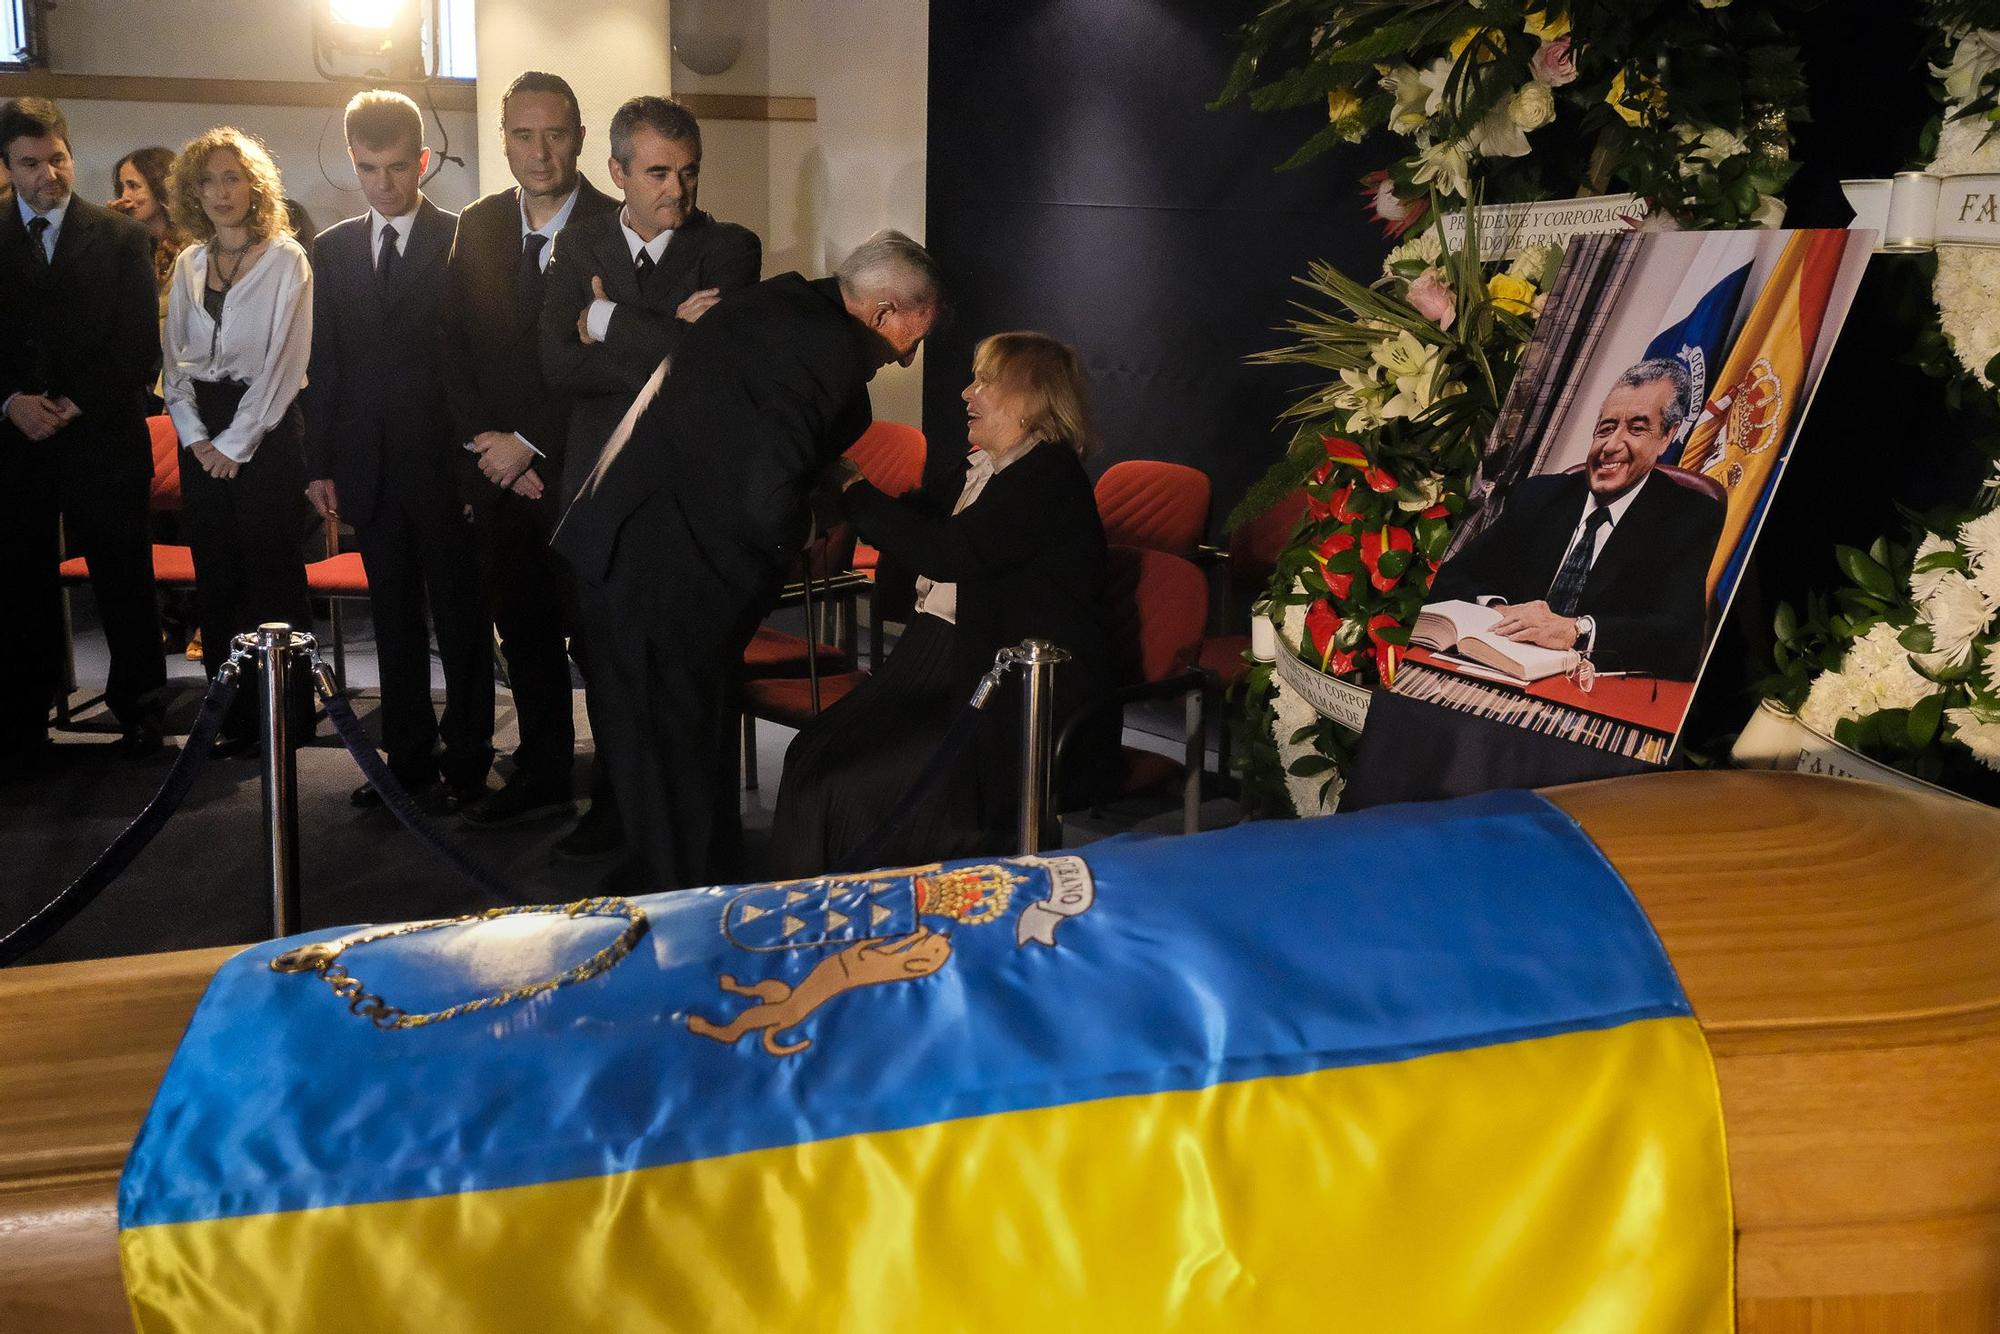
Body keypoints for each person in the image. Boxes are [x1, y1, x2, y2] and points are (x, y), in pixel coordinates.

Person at [553, 230, 943, 892]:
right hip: (672, 573)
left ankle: (667, 880)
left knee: (647, 746)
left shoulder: (774, 300)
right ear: (884, 311)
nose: (906, 359)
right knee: (681, 746)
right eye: (916, 336)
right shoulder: (829, 353)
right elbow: (768, 497)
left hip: (620, 544)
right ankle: (694, 906)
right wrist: (812, 520)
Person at [769, 332, 1118, 877]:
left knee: (850, 782)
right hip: (938, 659)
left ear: (1032, 401)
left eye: (986, 381)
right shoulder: (981, 466)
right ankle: (810, 906)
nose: (965, 392)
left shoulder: (1047, 476)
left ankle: (882, 914)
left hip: (1004, 689)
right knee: (814, 753)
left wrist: (856, 491)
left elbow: (950, 551)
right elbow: (917, 517)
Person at [538, 93, 760, 860]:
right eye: (659, 173)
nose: (677, 190)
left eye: (688, 173)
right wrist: (667, 338)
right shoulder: (581, 246)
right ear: (618, 173)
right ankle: (624, 820)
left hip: (684, 509)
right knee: (606, 671)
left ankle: (688, 847)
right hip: (597, 500)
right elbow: (555, 366)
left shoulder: (731, 248)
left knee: (682, 687)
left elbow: (708, 367)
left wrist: (603, 324)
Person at [305, 90, 491, 810]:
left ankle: (469, 760)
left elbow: (478, 359)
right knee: (393, 623)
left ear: (421, 160)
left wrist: (477, 465)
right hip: (370, 467)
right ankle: (405, 761)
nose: (382, 183)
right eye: (366, 168)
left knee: (462, 617)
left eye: (394, 167)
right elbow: (327, 364)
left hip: (446, 465)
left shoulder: (462, 239)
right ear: (353, 163)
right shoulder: (334, 247)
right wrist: (319, 462)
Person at [440, 71, 616, 827]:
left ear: (579, 136)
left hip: (584, 476)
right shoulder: (476, 225)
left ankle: (617, 790)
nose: (539, 152)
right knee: (527, 634)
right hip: (498, 480)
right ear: (503, 139)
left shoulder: (617, 226)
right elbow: (450, 346)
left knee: (601, 644)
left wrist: (532, 447)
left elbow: (615, 367)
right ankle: (542, 770)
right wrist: (491, 448)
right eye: (522, 134)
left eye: (555, 134)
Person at [0, 97, 166, 765]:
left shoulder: (123, 237)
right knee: (17, 583)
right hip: (15, 440)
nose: (50, 176)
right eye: (32, 164)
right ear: (8, 166)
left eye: (58, 159)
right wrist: (11, 400)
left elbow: (138, 348)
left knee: (123, 577)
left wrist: (70, 402)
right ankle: (21, 719)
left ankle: (142, 711)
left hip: (101, 433)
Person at [161, 127, 315, 755]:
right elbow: (172, 363)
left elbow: (286, 362)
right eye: (208, 180)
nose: (221, 192)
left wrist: (236, 443)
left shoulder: (287, 259)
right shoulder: (188, 262)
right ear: (193, 192)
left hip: (268, 430)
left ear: (254, 187)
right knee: (217, 580)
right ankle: (230, 719)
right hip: (200, 431)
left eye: (232, 178)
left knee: (271, 579)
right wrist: (199, 440)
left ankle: (286, 720)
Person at [1427, 358, 1726, 679]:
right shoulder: (1539, 495)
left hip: (1593, 686)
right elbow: (1449, 577)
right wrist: (1499, 610)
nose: (1612, 445)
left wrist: (1577, 630)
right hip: (1502, 667)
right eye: (1607, 428)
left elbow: (1679, 641)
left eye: (1637, 428)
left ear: (1667, 436)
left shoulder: (1688, 516)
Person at [110, 146, 187, 305]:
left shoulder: (191, 248)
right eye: (122, 187)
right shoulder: (129, 245)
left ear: (160, 186)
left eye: (133, 186)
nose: (125, 196)